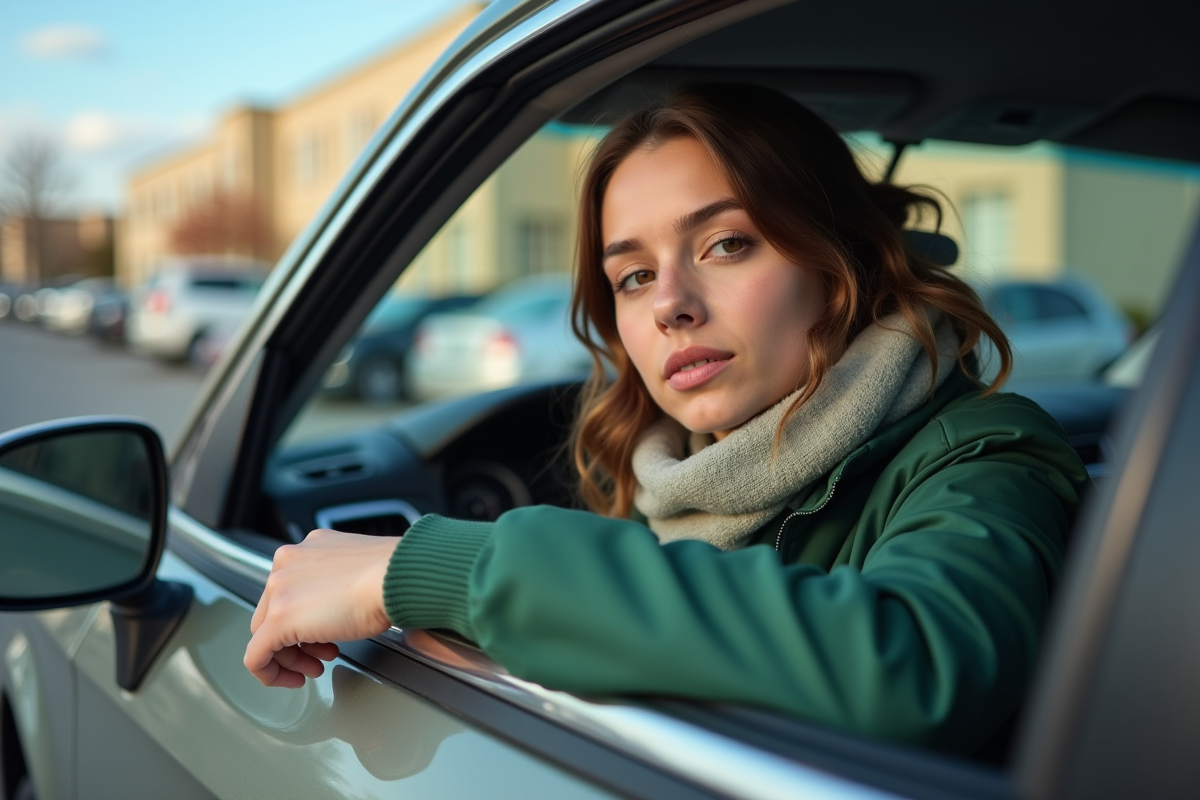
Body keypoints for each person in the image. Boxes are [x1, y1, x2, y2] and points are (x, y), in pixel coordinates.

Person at [244, 84, 1088, 755]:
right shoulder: (645, 478)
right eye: (633, 277)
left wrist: (439, 569)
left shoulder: (987, 454)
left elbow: (921, 667)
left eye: (726, 244)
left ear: (841, 267)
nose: (672, 306)